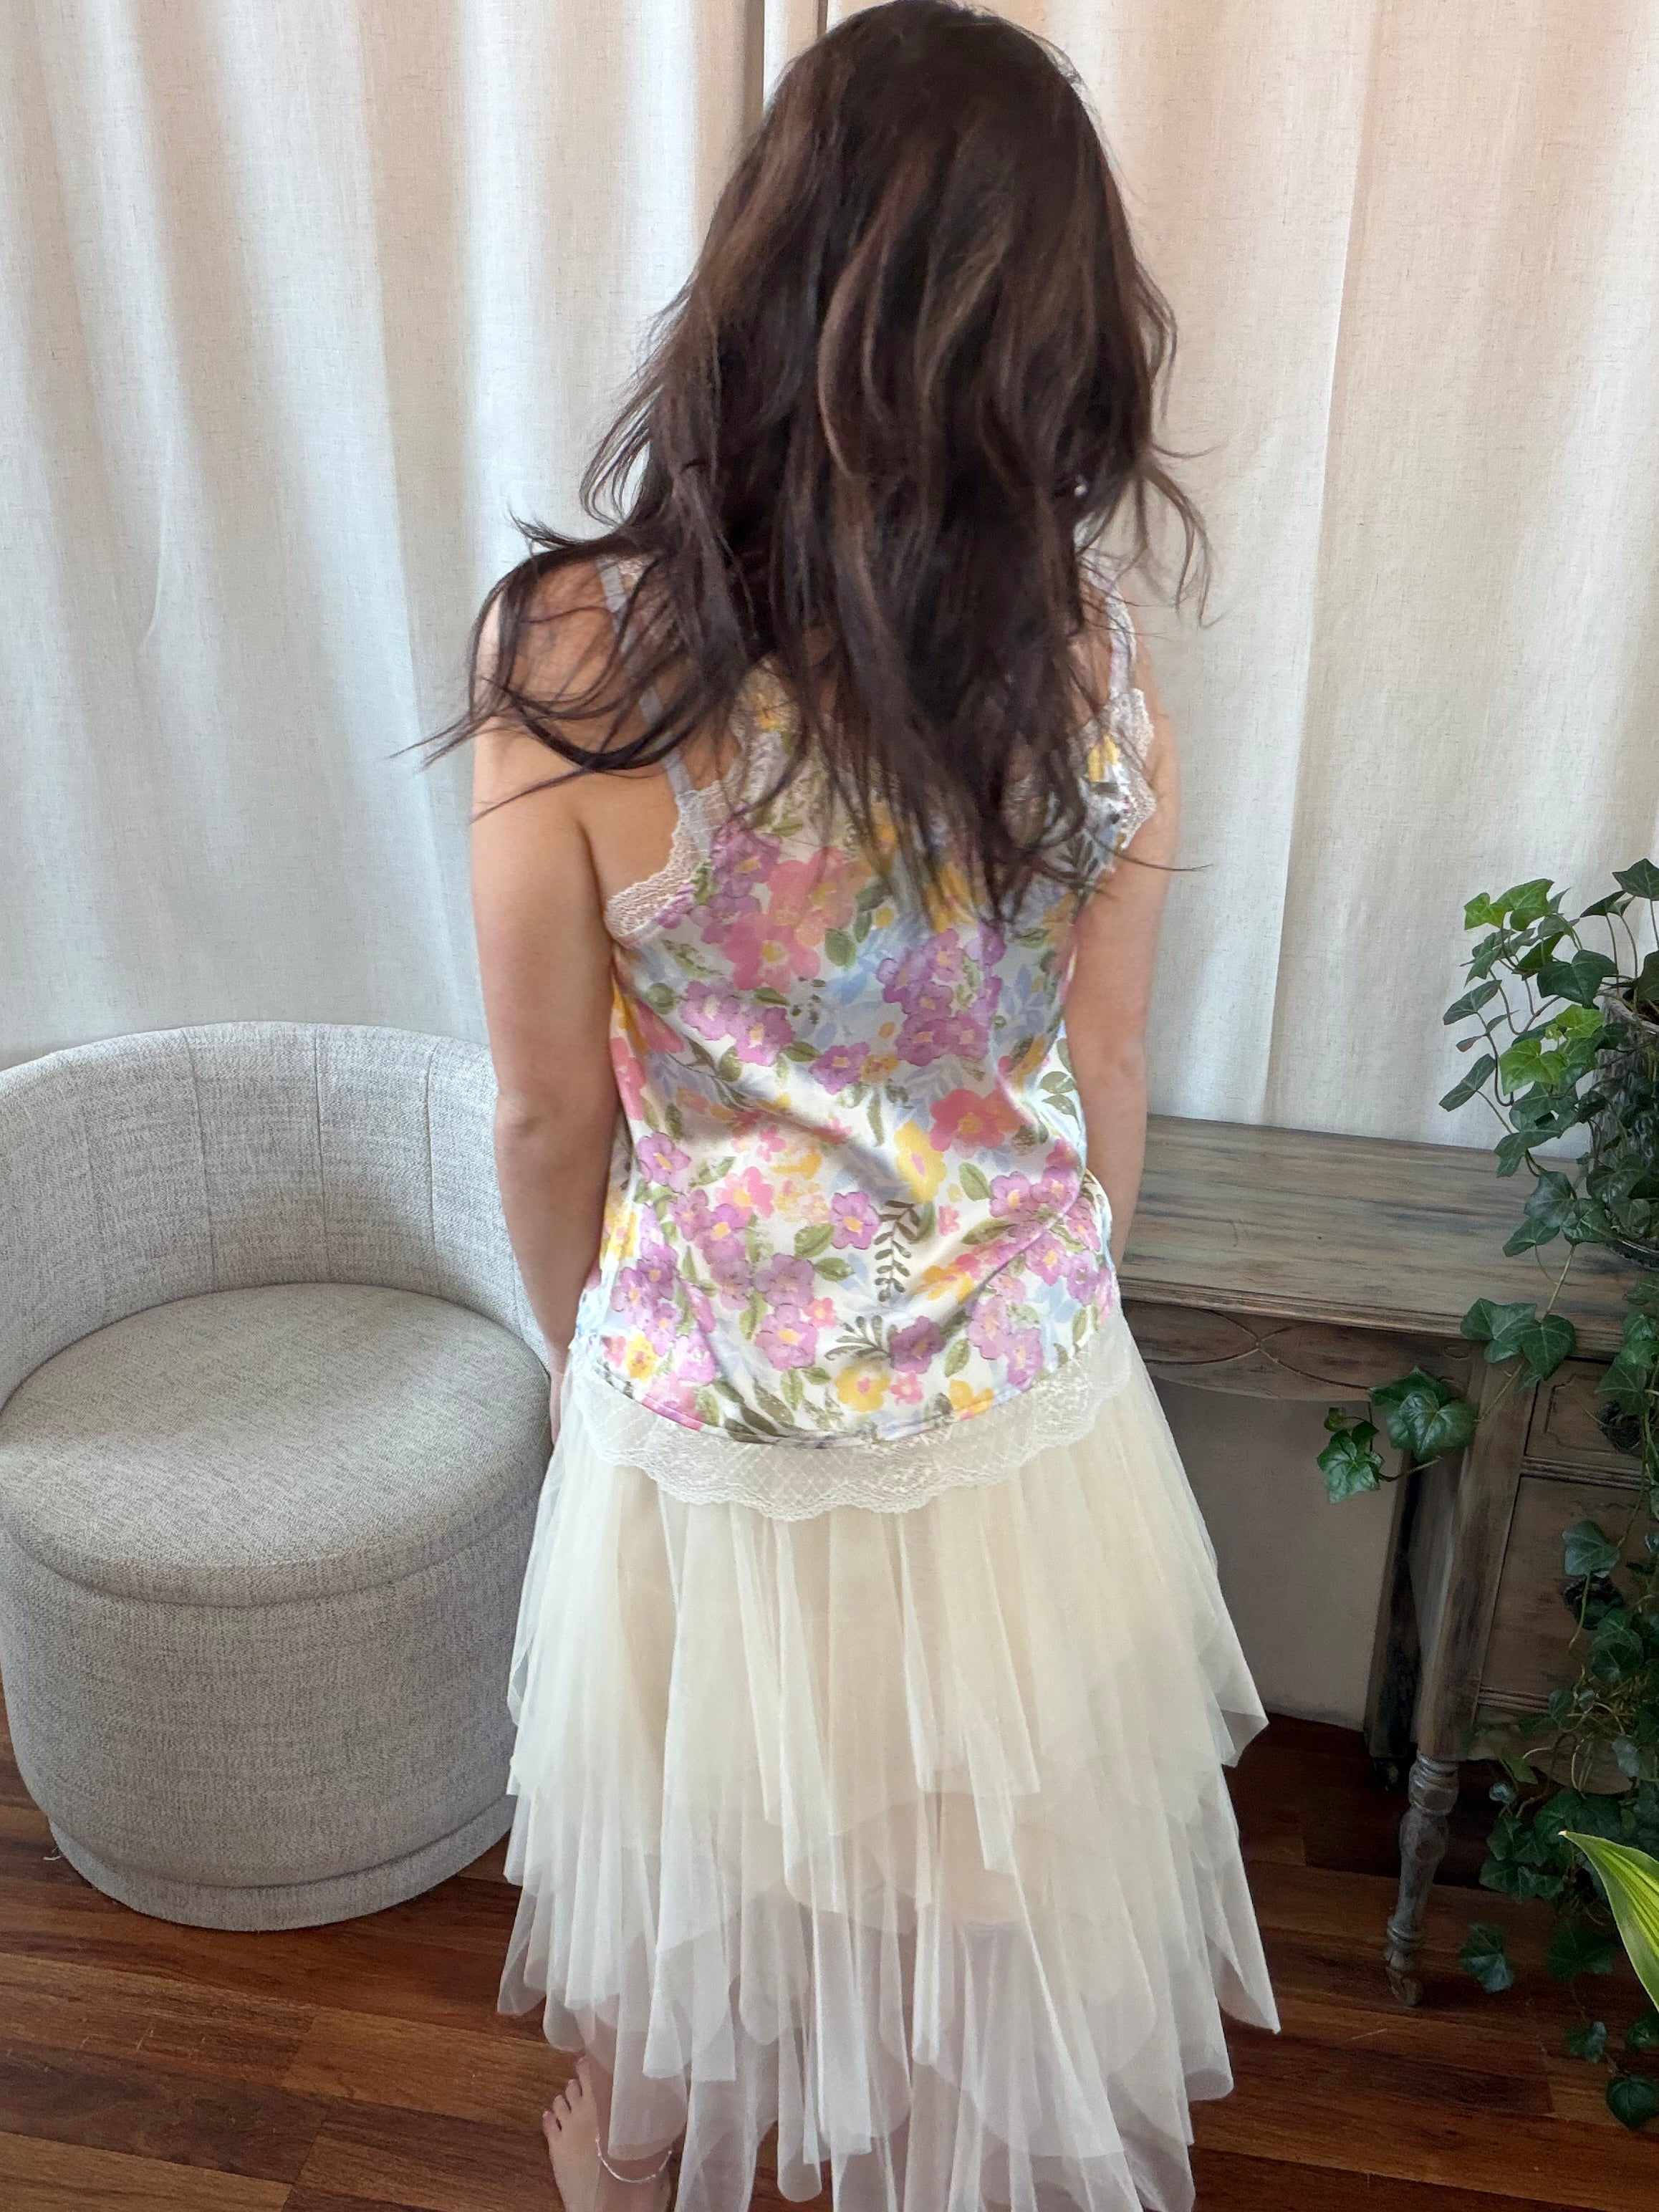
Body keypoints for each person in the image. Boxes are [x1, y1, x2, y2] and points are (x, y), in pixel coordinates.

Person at [436, 6, 1276, 2206]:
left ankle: (633, 2173)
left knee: (685, 1892)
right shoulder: (1087, 661)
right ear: (1056, 337)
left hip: (705, 1405)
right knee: (967, 1936)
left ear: (756, 280)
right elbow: (1101, 1078)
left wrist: (578, 1357)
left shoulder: (578, 668)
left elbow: (545, 1123)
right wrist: (1022, 1316)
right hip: (1014, 1412)